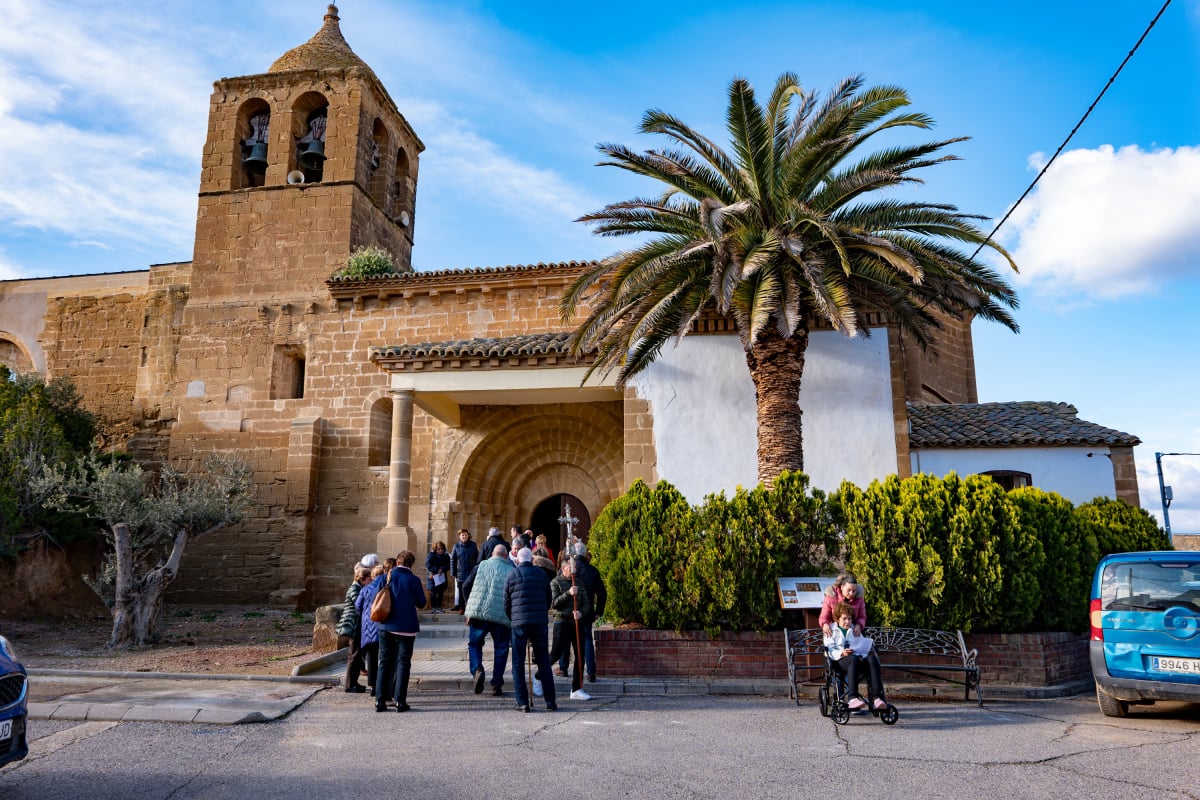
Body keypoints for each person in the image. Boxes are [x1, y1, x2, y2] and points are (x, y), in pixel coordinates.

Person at [504, 547, 557, 713]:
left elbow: (506, 601)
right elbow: (548, 597)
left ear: (518, 560)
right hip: (539, 623)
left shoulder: (512, 574)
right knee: (543, 663)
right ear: (532, 559)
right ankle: (550, 701)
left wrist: (513, 618)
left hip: (519, 623)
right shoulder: (541, 574)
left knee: (518, 664)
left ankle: (523, 702)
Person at [374, 550, 426, 713]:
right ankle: (400, 701)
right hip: (406, 627)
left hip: (386, 625)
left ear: (397, 562)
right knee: (403, 664)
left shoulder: (385, 577)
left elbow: (376, 596)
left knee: (384, 663)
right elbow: (422, 603)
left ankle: (380, 701)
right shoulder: (413, 580)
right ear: (411, 564)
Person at [463, 543, 515, 696]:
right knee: (501, 648)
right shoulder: (512, 570)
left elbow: (465, 586)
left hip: (479, 612)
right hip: (501, 615)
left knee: (474, 644)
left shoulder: (480, 566)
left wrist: (469, 608)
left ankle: (477, 669)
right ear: (506, 556)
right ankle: (496, 684)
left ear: (492, 554)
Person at [541, 556, 591, 700]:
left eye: (574, 567)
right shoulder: (555, 583)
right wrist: (568, 594)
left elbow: (586, 602)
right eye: (571, 567)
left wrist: (581, 612)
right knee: (556, 653)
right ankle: (539, 675)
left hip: (576, 622)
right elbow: (554, 603)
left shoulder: (579, 583)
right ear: (564, 568)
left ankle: (577, 688)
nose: (574, 570)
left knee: (580, 654)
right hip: (561, 622)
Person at [823, 602, 887, 711]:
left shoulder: (854, 629)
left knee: (872, 658)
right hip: (838, 662)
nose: (848, 622)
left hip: (855, 660)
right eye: (844, 619)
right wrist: (842, 653)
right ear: (837, 619)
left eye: (849, 619)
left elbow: (860, 646)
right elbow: (829, 650)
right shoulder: (831, 630)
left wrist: (862, 652)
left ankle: (877, 698)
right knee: (853, 659)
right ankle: (852, 698)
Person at [570, 542, 607, 683]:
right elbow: (602, 593)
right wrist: (599, 611)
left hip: (570, 611)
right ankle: (591, 672)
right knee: (587, 640)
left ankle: (563, 667)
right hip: (587, 611)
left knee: (567, 639)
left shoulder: (569, 569)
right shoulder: (592, 571)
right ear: (585, 554)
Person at [338, 559, 373, 692]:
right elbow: (360, 606)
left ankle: (354, 682)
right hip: (354, 626)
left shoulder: (359, 588)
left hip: (358, 625)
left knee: (357, 656)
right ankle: (349, 685)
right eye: (370, 578)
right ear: (363, 579)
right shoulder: (355, 589)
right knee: (354, 655)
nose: (371, 581)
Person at [354, 562, 386, 697]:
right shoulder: (385, 588)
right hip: (383, 625)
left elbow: (357, 606)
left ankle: (373, 686)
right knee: (385, 658)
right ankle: (383, 687)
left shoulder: (365, 589)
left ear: (373, 575)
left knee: (371, 657)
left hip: (368, 627)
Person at [819, 572, 867, 637]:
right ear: (842, 587)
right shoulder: (831, 597)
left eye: (854, 591)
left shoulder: (859, 598)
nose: (851, 593)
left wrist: (859, 625)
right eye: (849, 590)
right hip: (834, 632)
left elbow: (862, 616)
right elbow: (824, 616)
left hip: (853, 632)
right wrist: (825, 624)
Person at [450, 528, 479, 611]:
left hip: (471, 572)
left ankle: (469, 608)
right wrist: (453, 572)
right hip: (460, 572)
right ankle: (461, 607)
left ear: (468, 535)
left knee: (471, 590)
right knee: (461, 591)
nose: (464, 536)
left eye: (465, 535)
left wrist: (476, 570)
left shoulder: (473, 545)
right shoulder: (456, 546)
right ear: (459, 536)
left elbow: (477, 558)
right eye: (462, 535)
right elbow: (453, 560)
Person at [425, 541, 450, 611]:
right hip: (433, 576)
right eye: (439, 549)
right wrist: (436, 569)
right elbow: (427, 564)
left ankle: (439, 606)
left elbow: (448, 565)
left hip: (441, 576)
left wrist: (442, 569)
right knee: (433, 592)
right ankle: (433, 607)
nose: (440, 550)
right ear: (436, 549)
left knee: (440, 592)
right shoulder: (431, 555)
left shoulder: (446, 555)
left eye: (442, 549)